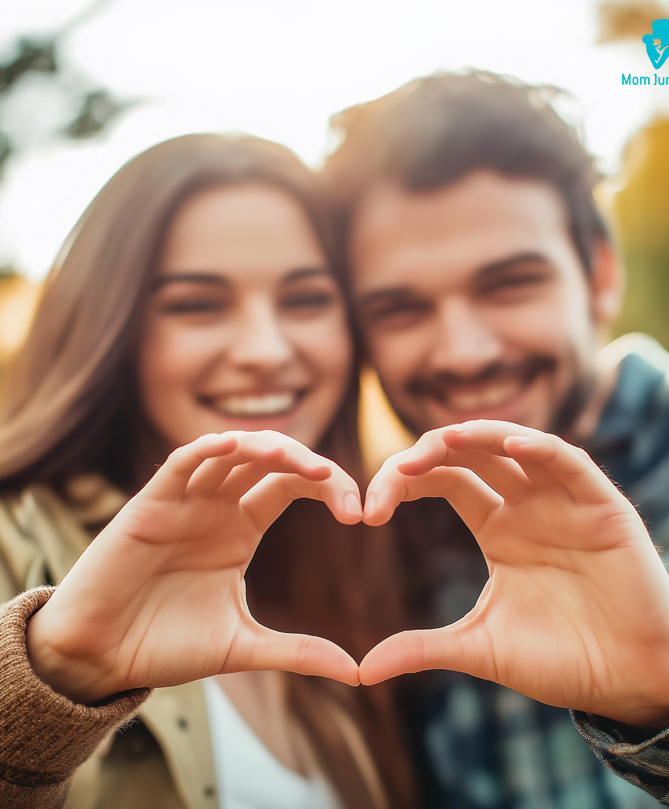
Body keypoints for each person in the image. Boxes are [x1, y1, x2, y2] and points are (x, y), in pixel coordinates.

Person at [324, 70, 669, 807]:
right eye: (402, 308)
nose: (465, 351)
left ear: (599, 273)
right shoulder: (376, 545)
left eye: (509, 285)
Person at [0, 134, 416, 809]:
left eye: (306, 299)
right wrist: (47, 686)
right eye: (197, 304)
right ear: (110, 328)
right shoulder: (14, 540)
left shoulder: (358, 573)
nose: (264, 350)